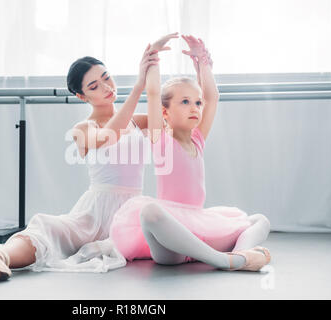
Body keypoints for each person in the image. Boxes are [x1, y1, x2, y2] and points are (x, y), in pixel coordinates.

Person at [0, 42, 165, 288]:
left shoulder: (138, 122)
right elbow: (109, 135)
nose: (106, 88)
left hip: (131, 210)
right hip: (94, 213)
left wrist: (155, 65)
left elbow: (170, 121)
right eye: (95, 86)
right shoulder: (83, 129)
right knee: (46, 226)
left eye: (107, 78)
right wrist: (138, 86)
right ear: (82, 96)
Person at [108, 33, 272, 271]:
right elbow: (153, 93)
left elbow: (212, 98)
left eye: (196, 103)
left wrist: (202, 62)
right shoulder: (160, 139)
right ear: (165, 113)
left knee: (260, 220)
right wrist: (152, 57)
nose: (195, 107)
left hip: (201, 226)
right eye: (185, 102)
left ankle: (240, 255)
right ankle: (221, 260)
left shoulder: (197, 140)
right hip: (172, 245)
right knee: (150, 212)